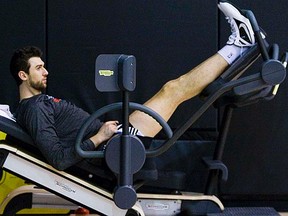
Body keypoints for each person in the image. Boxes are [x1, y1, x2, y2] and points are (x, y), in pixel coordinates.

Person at [10, 2, 255, 171]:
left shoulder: (35, 105)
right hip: (117, 148)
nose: (46, 71)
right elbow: (59, 160)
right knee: (174, 89)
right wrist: (98, 137)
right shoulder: (33, 109)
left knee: (174, 89)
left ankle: (238, 50)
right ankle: (238, 46)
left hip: (116, 140)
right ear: (23, 74)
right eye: (38, 68)